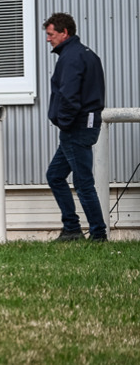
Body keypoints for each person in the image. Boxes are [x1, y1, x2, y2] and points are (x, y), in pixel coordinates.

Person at [43, 13, 107, 241]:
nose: (48, 39)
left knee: (83, 182)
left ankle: (98, 234)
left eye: (50, 34)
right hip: (84, 125)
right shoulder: (87, 55)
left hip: (76, 128)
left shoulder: (71, 58)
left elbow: (69, 97)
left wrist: (64, 123)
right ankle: (71, 228)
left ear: (64, 32)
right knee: (55, 175)